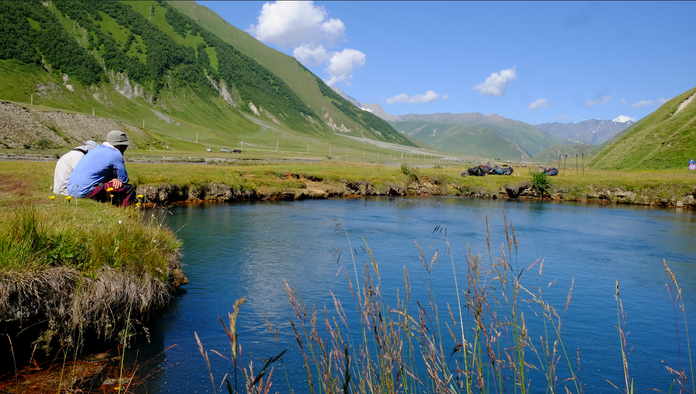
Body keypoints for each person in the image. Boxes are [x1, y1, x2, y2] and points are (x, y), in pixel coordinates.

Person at [66, 130, 136, 207]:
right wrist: (114, 178)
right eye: (125, 145)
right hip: (86, 192)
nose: (126, 148)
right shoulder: (115, 154)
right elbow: (124, 179)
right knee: (129, 189)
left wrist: (113, 177)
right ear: (118, 145)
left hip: (71, 191)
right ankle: (126, 212)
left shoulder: (96, 149)